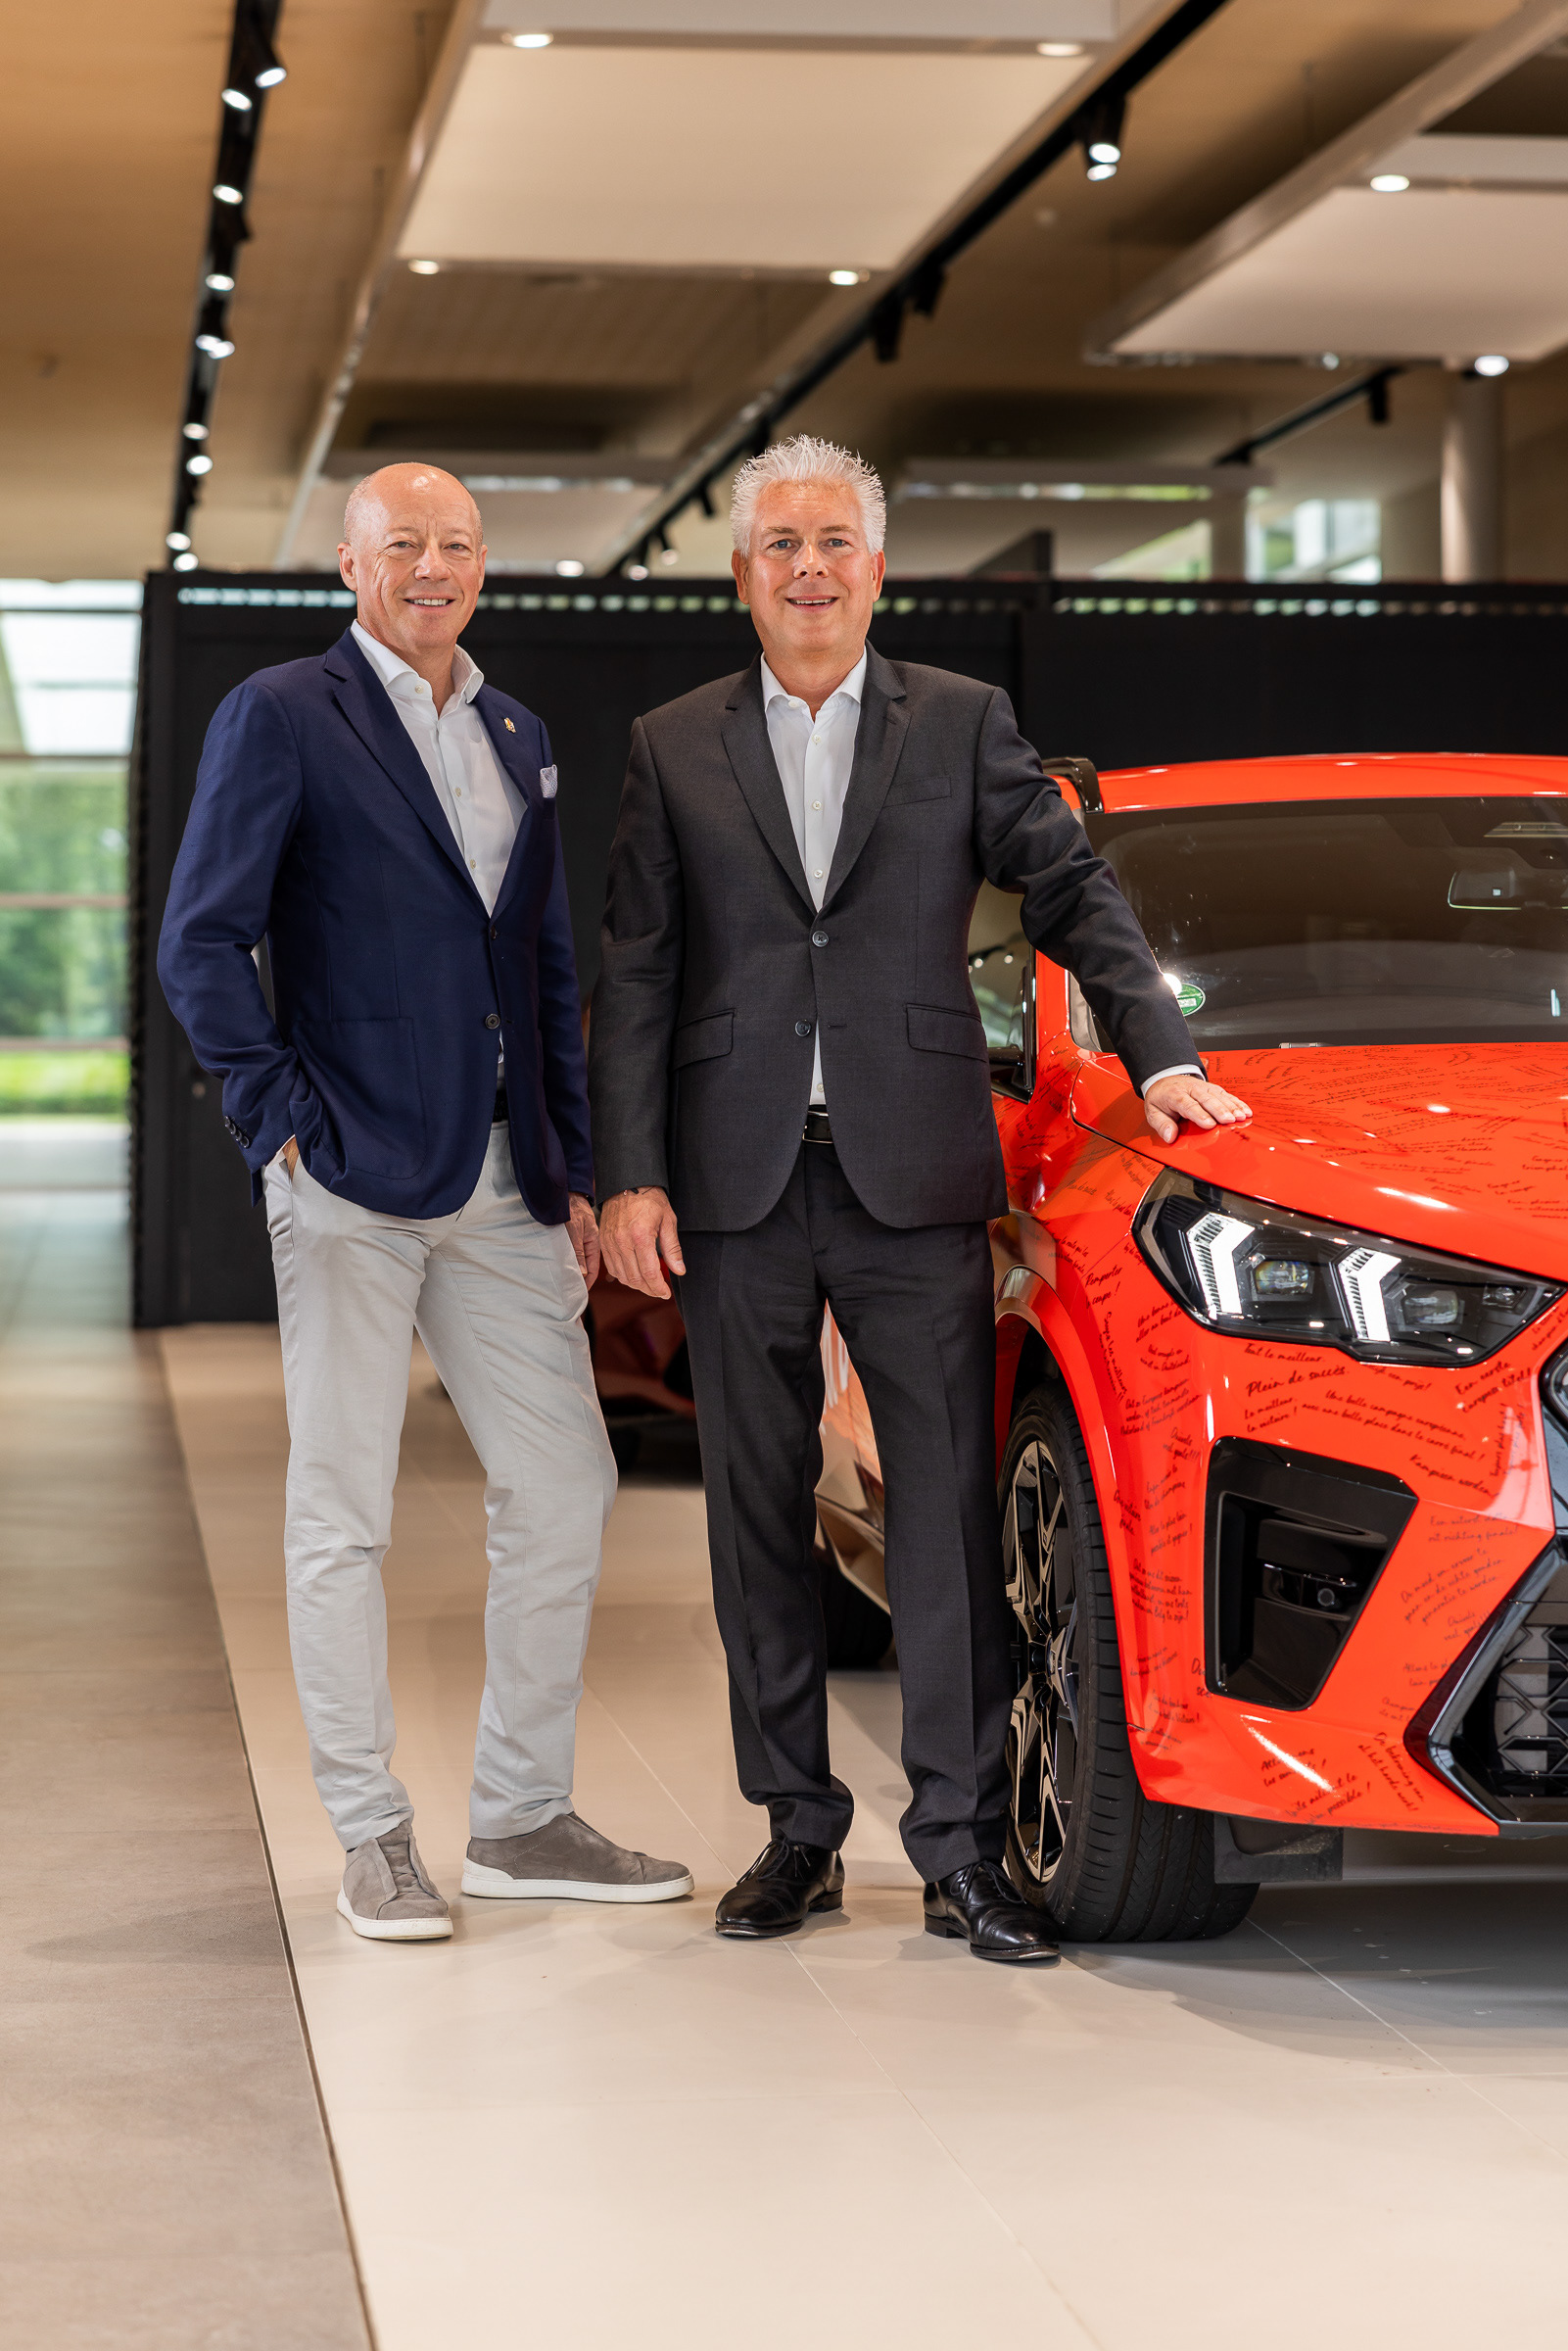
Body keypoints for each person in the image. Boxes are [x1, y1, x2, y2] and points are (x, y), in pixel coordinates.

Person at [590, 435, 1250, 1964]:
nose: (808, 567)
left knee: (942, 1516)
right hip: (735, 1179)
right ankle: (794, 1829)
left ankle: (956, 1846)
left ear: (876, 569)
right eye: (779, 544)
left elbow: (1070, 888)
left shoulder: (959, 722)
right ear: (740, 575)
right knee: (756, 1513)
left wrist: (1158, 1054)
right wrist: (626, 1173)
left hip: (915, 1171)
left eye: (833, 541)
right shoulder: (672, 744)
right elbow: (635, 971)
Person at [158, 463, 690, 1942]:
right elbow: (202, 941)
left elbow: (543, 968)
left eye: (456, 544)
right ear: (351, 563)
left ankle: (520, 1818)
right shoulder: (281, 712)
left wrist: (568, 1165)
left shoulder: (513, 732)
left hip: (507, 1182)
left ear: (483, 564)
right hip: (349, 1174)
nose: (433, 567)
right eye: (404, 544)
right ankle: (371, 1834)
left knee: (566, 1485)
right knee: (344, 1510)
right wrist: (279, 1122)